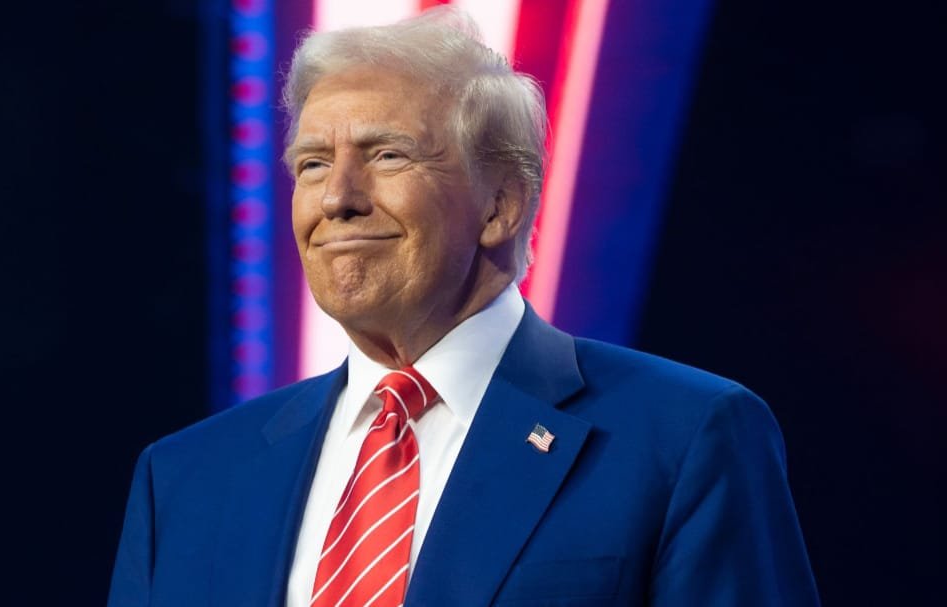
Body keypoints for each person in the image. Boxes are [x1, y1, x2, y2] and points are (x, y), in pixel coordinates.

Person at [107, 8, 820, 607]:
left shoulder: (687, 436)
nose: (337, 198)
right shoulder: (184, 479)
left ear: (500, 205)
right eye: (313, 163)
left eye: (387, 155)